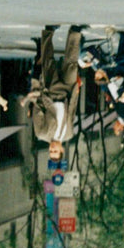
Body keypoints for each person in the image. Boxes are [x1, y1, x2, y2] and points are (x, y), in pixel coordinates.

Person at [21, 23, 83, 159]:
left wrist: (44, 94)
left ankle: (48, 32)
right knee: (71, 65)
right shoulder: (69, 134)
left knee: (48, 61)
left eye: (50, 152)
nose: (52, 149)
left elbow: (38, 110)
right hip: (67, 93)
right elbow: (72, 113)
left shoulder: (42, 134)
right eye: (55, 151)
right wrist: (76, 94)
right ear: (61, 150)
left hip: (52, 92)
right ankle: (75, 32)